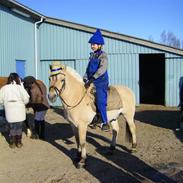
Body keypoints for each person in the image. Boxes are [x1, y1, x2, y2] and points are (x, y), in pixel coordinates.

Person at [83, 29, 110, 132]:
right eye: (91, 44)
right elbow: (88, 70)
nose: (92, 46)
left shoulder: (103, 55)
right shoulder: (92, 56)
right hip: (91, 80)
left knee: (100, 100)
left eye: (94, 44)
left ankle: (105, 122)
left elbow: (102, 69)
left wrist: (93, 78)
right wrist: (85, 78)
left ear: (100, 45)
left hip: (101, 81)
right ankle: (93, 117)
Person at [0, 73, 29, 148]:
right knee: (19, 127)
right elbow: (26, 99)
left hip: (9, 111)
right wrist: (23, 103)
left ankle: (12, 143)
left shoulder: (4, 88)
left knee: (12, 127)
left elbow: (0, 100)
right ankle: (19, 142)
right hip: (20, 110)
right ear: (17, 79)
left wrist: (5, 103)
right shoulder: (20, 88)